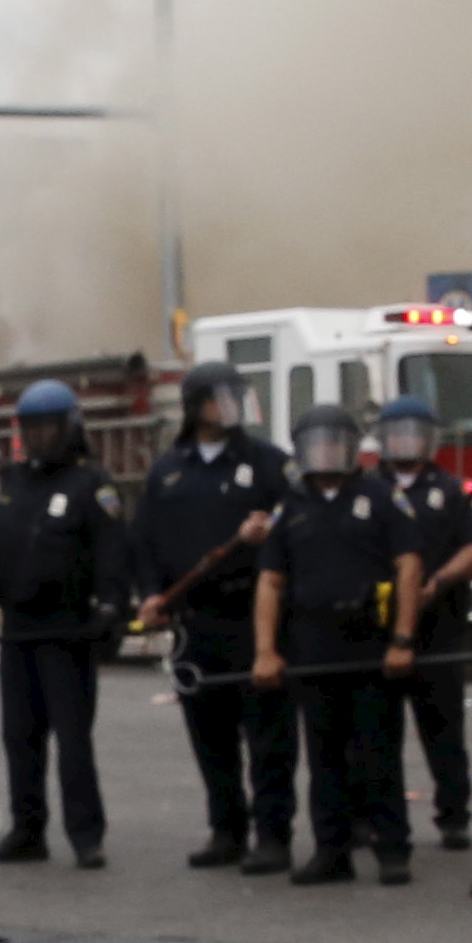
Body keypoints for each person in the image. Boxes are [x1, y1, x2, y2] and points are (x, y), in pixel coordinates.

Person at [0, 379, 129, 865]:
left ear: (71, 428)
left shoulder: (92, 484)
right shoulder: (11, 485)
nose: (36, 438)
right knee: (20, 737)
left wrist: (110, 608)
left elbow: (112, 553)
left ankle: (86, 835)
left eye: (47, 428)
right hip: (18, 630)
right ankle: (28, 830)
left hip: (67, 630)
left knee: (73, 740)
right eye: (29, 429)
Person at [131, 366, 293, 873]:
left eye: (235, 397)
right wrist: (151, 594)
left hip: (253, 614)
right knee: (209, 733)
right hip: (195, 618)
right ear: (194, 405)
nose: (230, 407)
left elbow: (301, 520)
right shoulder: (169, 470)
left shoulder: (268, 463)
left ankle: (273, 835)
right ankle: (227, 829)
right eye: (218, 399)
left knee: (267, 735)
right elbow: (145, 541)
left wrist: (273, 528)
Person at [254, 403, 417, 884]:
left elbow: (409, 565)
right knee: (323, 757)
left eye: (334, 440)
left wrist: (403, 638)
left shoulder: (381, 496)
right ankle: (331, 850)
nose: (325, 450)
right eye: (315, 441)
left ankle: (392, 849)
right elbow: (270, 582)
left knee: (377, 750)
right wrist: (266, 650)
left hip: (369, 642)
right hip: (313, 646)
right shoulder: (292, 506)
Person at [371, 393, 472, 850]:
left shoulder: (449, 490)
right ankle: (377, 817)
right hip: (378, 628)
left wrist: (440, 579)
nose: (406, 442)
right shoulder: (369, 488)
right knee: (377, 733)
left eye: (416, 433)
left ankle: (453, 816)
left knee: (444, 731)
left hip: (439, 628)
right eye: (397, 433)